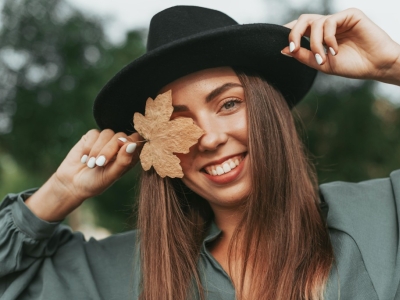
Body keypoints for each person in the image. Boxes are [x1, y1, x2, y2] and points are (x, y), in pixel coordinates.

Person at [1, 5, 400, 300]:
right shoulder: (122, 273)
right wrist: (62, 191)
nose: (208, 139)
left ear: (268, 110)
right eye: (178, 121)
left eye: (228, 104)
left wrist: (393, 66)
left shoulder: (383, 216)